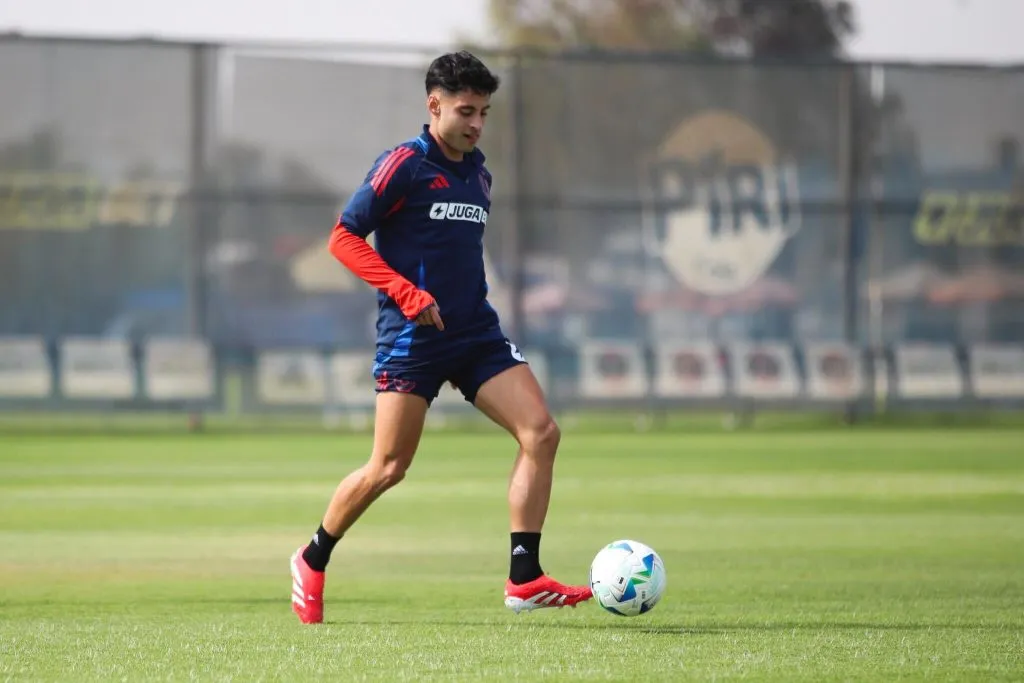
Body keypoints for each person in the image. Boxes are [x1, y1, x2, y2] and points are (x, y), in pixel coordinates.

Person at [289, 50, 592, 624]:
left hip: (475, 332)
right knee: (388, 467)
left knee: (541, 432)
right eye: (466, 111)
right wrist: (406, 293)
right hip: (412, 338)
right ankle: (312, 557)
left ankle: (524, 578)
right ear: (434, 105)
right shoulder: (404, 164)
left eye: (484, 113)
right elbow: (343, 238)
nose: (477, 124)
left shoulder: (479, 173)